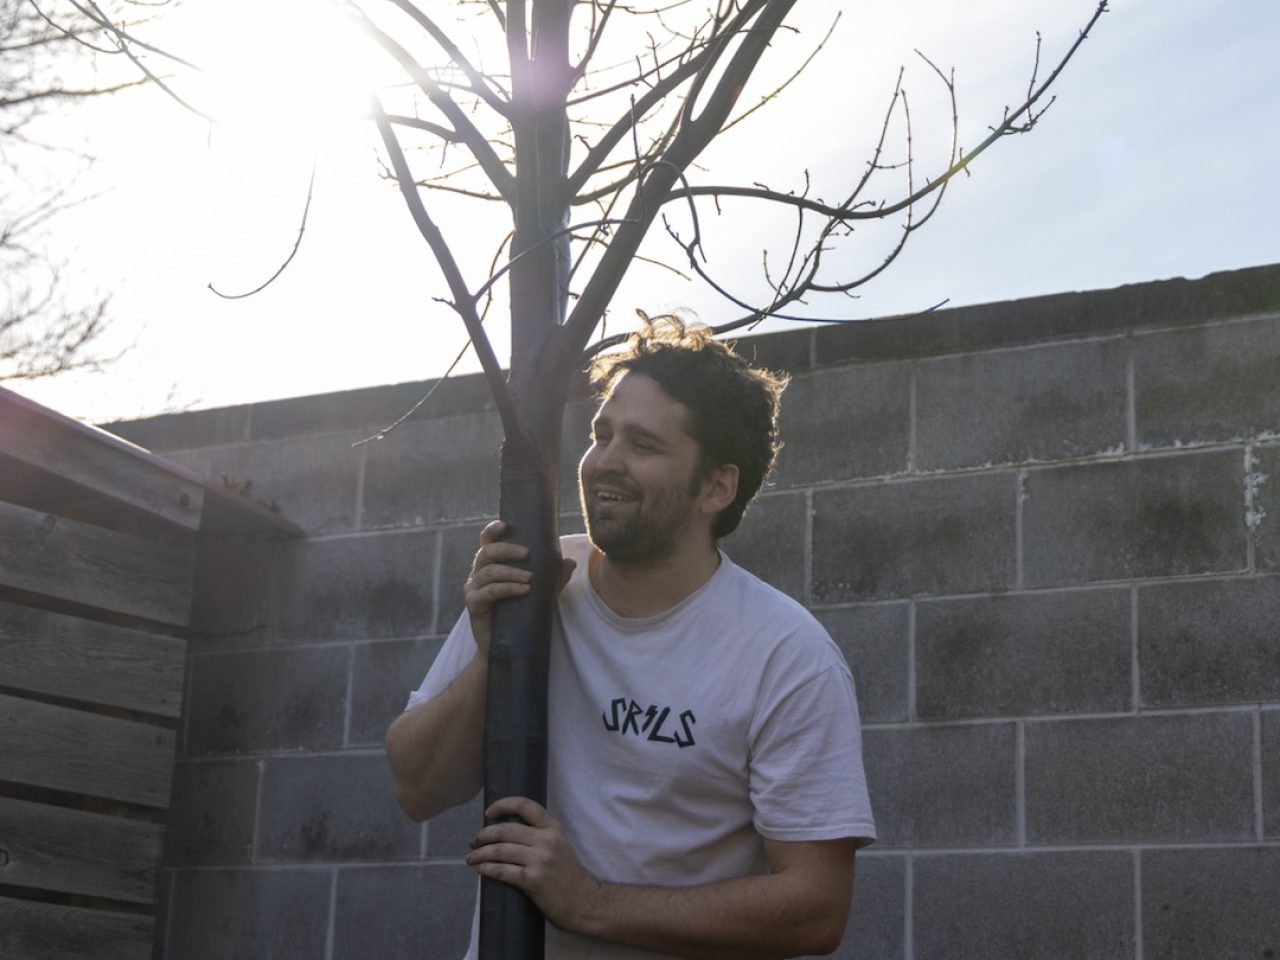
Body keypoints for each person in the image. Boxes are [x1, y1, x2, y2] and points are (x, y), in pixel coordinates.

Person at [386, 316, 876, 960]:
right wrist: (492, 653)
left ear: (716, 487)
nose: (603, 463)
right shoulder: (532, 584)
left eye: (642, 444)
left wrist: (588, 902)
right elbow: (418, 790)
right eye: (601, 434)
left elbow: (815, 909)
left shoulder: (786, 655)